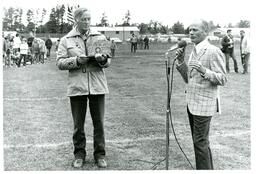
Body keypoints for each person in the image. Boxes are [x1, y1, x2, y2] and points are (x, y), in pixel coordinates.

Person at [57, 7, 111, 169]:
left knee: (99, 123)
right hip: (77, 87)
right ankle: (79, 154)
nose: (87, 22)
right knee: (78, 124)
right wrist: (75, 61)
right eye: (84, 19)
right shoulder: (66, 39)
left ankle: (100, 155)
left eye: (89, 19)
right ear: (76, 20)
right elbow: (59, 63)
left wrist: (102, 60)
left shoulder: (99, 37)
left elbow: (108, 63)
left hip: (97, 86)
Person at [175, 20, 227, 170]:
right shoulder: (194, 51)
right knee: (199, 142)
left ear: (205, 32)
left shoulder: (213, 51)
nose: (191, 33)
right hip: (192, 103)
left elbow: (223, 79)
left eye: (195, 30)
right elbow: (188, 79)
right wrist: (180, 61)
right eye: (190, 30)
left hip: (204, 105)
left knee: (200, 142)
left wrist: (204, 71)